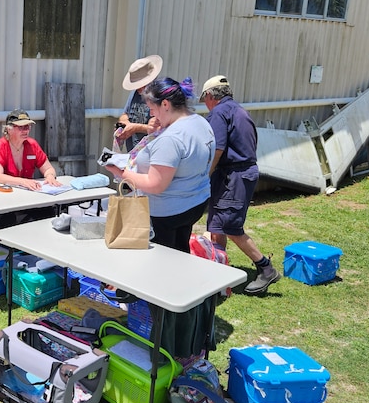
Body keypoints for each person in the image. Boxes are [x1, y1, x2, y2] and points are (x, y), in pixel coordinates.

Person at [105, 77, 215, 363]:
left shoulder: (171, 139)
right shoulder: (199, 123)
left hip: (167, 212)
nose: (151, 114)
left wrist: (122, 173)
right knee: (179, 264)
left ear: (166, 104)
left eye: (153, 108)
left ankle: (166, 341)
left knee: (161, 279)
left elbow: (155, 184)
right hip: (193, 202)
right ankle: (182, 328)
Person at [201, 75, 280, 295]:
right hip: (238, 173)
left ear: (209, 96)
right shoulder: (239, 110)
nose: (205, 105)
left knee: (229, 226)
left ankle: (266, 268)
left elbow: (217, 148)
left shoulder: (219, 113)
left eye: (204, 100)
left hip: (233, 175)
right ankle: (219, 270)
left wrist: (205, 174)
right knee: (216, 225)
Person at [0, 109, 63, 226]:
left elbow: (48, 168)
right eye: (21, 127)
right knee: (7, 216)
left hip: (23, 196)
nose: (26, 130)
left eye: (28, 126)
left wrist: (50, 176)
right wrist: (24, 181)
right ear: (8, 129)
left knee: (46, 210)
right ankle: (6, 244)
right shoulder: (0, 145)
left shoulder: (32, 144)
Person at [115, 55, 161, 151]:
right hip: (133, 153)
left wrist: (135, 128)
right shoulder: (135, 93)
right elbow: (124, 114)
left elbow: (159, 129)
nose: (138, 88)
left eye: (141, 85)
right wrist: (125, 124)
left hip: (151, 153)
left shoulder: (161, 97)